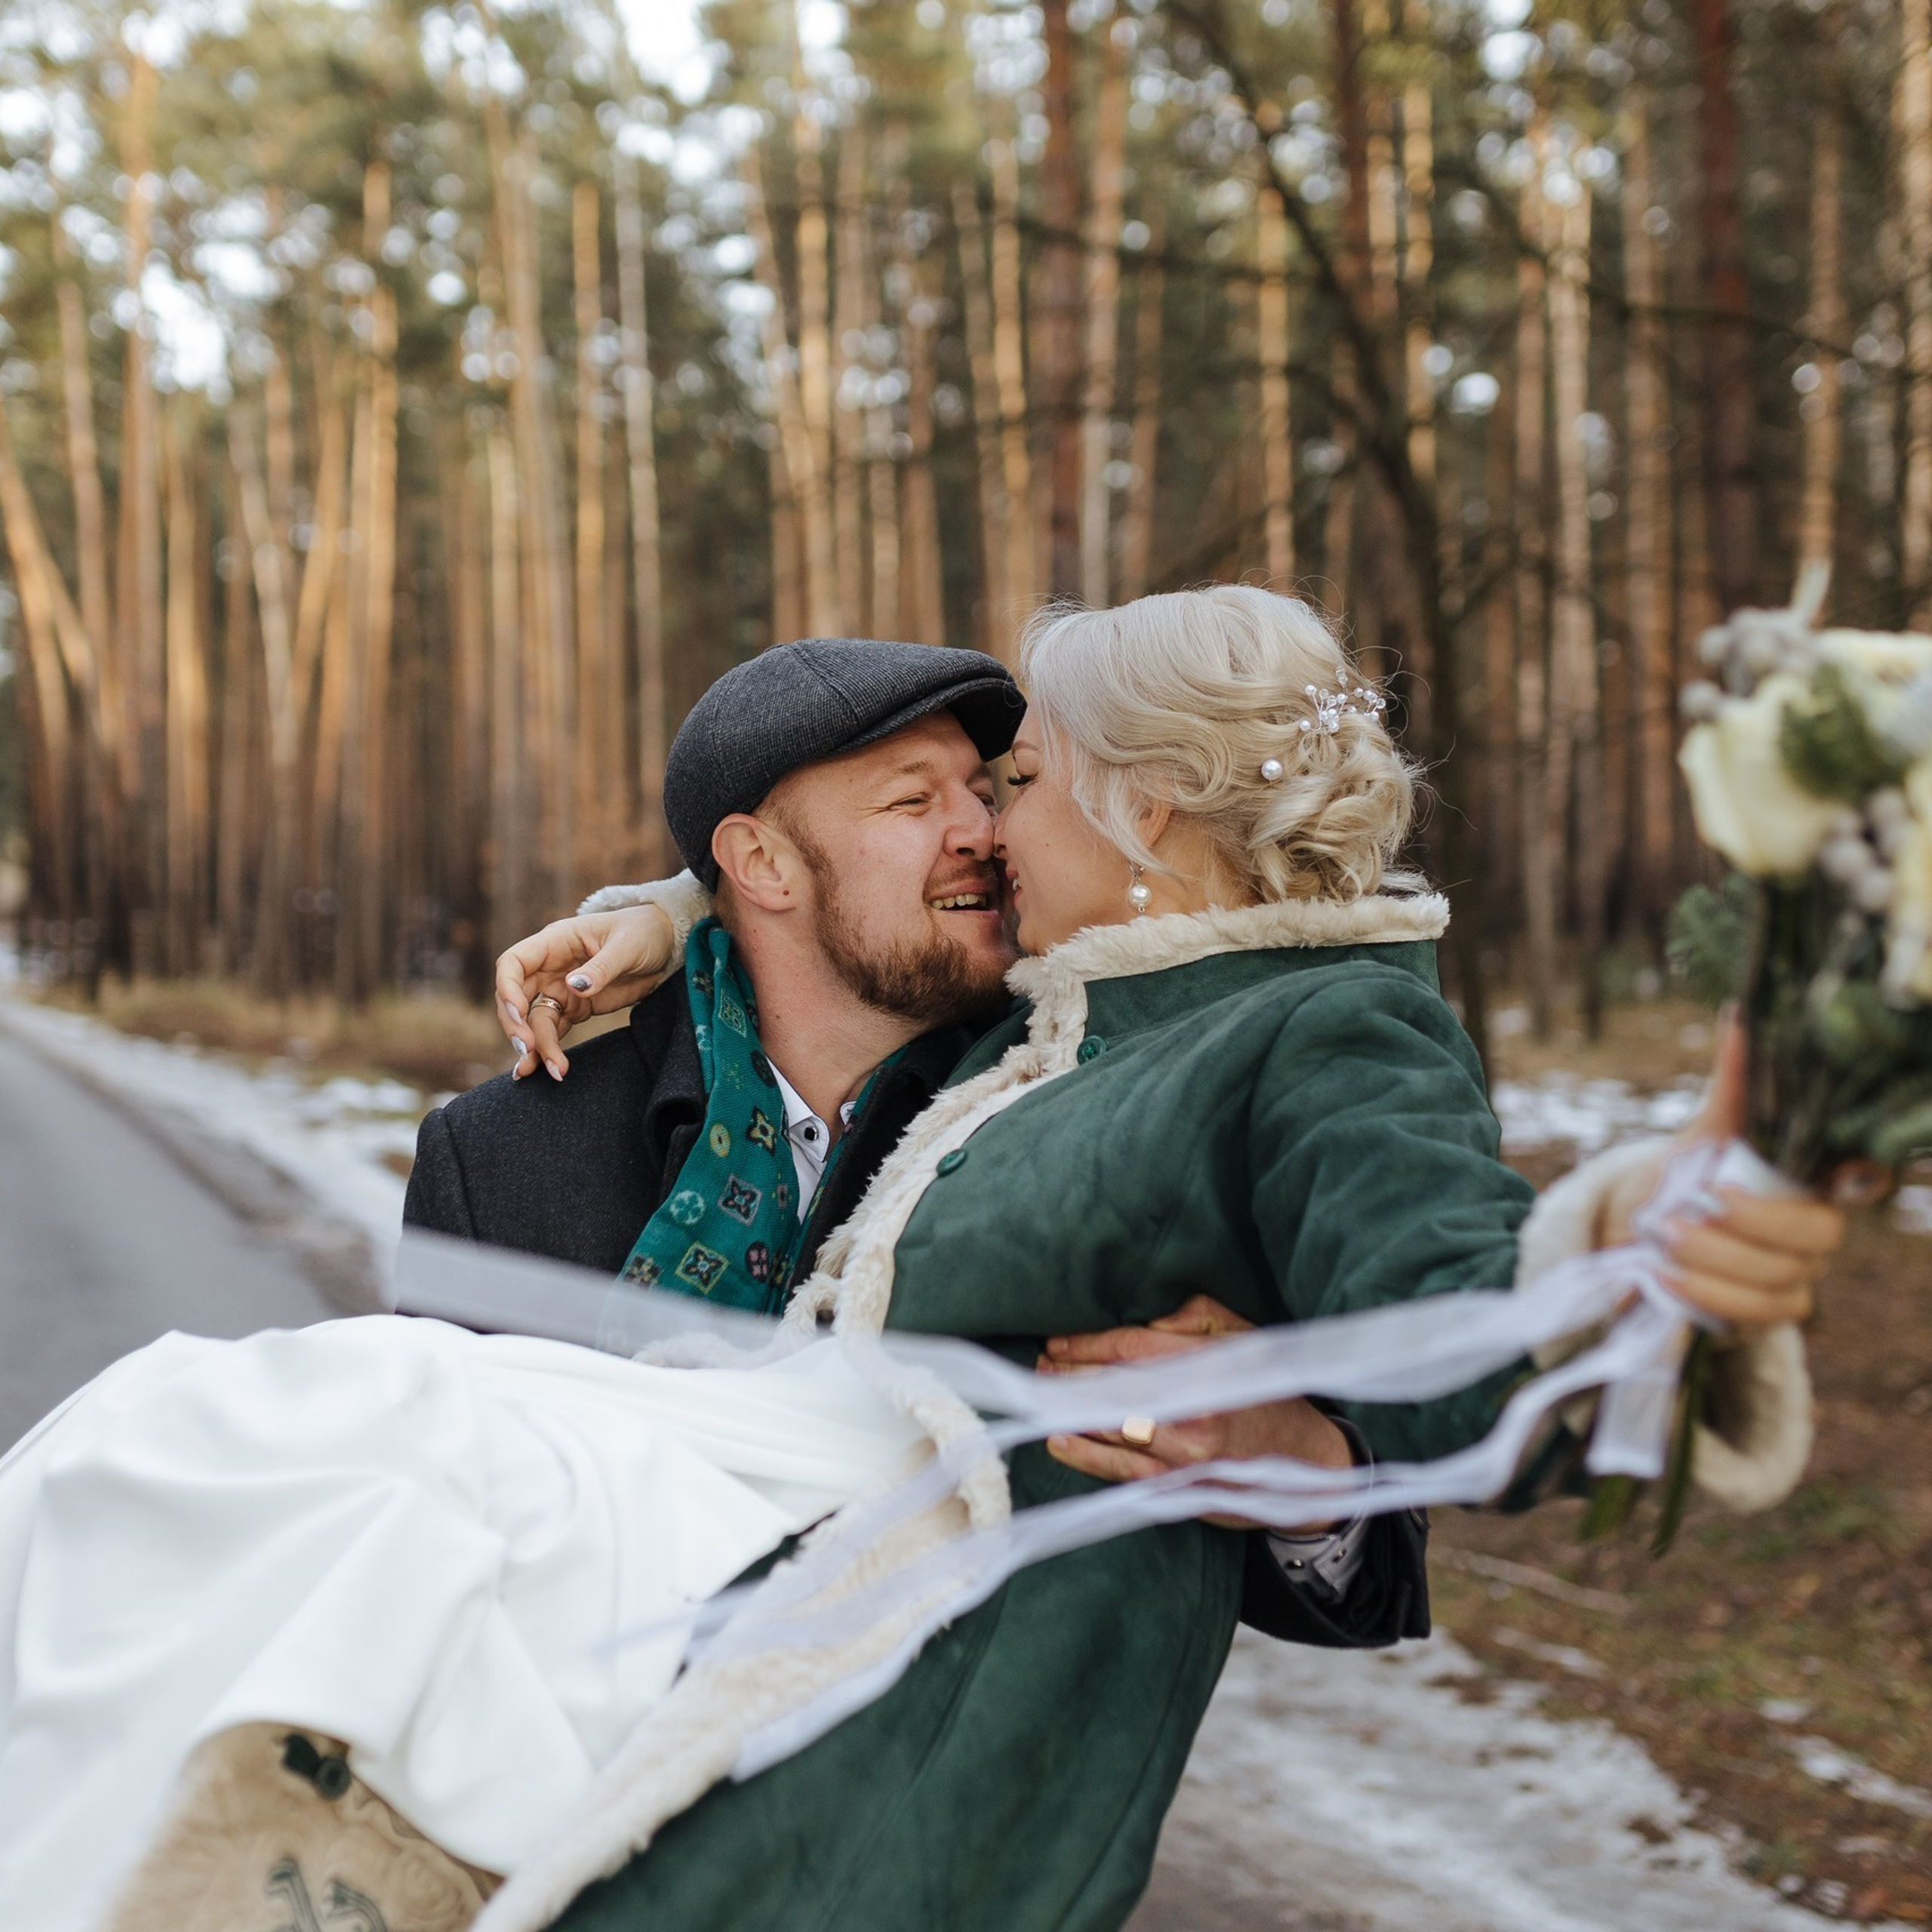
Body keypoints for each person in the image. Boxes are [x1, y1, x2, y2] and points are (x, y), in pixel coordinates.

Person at [468, 586, 1841, 1932]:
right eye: (934, 800)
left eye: (1009, 783)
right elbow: (825, 911)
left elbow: (1453, 1315)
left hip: (927, 1774)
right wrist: (679, 909)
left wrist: (1635, 1261)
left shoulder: (1292, 1033)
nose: (984, 831)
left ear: (1154, 802)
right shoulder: (1054, 1030)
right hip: (600, 1720)